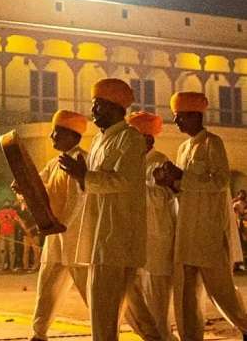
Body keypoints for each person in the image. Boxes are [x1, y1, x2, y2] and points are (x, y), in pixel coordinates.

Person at [60, 78, 160, 341]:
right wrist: (81, 176)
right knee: (120, 312)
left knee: (104, 315)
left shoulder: (130, 139)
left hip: (116, 239)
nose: (93, 111)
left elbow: (124, 181)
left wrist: (85, 176)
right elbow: (93, 186)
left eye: (98, 105)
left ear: (116, 108)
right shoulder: (98, 141)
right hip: (101, 237)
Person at [155, 92, 247, 340]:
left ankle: (245, 325)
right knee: (186, 295)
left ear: (195, 116)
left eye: (180, 117)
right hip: (186, 233)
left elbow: (219, 182)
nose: (176, 123)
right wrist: (169, 182)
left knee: (221, 292)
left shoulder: (212, 143)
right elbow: (183, 190)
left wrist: (182, 177)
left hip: (207, 234)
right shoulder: (183, 147)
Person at [21, 109, 89, 341]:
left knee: (92, 294)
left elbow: (80, 198)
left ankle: (111, 332)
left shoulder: (83, 160)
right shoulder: (53, 163)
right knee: (47, 288)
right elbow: (39, 188)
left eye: (58, 132)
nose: (52, 137)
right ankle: (38, 334)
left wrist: (64, 226)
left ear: (73, 136)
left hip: (78, 240)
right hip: (55, 237)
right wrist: (22, 187)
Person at [125, 111, 177, 341]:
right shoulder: (133, 164)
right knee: (135, 309)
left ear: (147, 140)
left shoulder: (160, 163)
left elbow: (163, 198)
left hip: (157, 246)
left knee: (157, 310)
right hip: (135, 246)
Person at [17, 200, 40, 271]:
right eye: (24, 203)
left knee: (36, 250)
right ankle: (25, 266)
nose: (25, 204)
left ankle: (36, 265)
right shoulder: (23, 213)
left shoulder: (35, 212)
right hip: (26, 234)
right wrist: (26, 230)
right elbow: (21, 222)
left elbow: (37, 223)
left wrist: (30, 229)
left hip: (34, 233)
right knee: (26, 250)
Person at [0, 201, 18, 271]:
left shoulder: (13, 212)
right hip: (3, 233)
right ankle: (2, 266)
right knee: (2, 250)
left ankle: (11, 267)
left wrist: (10, 219)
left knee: (12, 250)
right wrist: (4, 220)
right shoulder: (0, 212)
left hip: (11, 232)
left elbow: (16, 222)